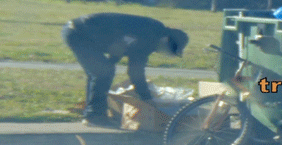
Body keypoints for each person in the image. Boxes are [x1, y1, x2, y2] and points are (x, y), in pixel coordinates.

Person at [61, 13, 189, 126]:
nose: (165, 53)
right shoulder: (149, 36)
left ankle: (93, 111)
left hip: (78, 30)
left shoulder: (153, 33)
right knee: (103, 73)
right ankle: (94, 116)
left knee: (102, 72)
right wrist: (147, 98)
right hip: (80, 33)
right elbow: (135, 72)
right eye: (170, 51)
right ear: (167, 41)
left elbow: (121, 47)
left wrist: (111, 63)